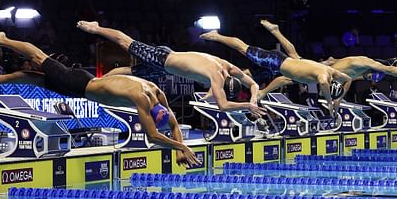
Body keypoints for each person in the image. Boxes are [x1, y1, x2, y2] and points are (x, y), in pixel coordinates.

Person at [0, 32, 200, 166]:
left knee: (38, 80)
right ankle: (3, 40)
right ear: (151, 112)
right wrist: (180, 146)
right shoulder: (141, 98)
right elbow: (153, 135)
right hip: (80, 85)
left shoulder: (156, 92)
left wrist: (180, 147)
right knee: (38, 57)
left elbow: (173, 125)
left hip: (85, 82)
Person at [76, 21, 265, 117]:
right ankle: (96, 28)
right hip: (163, 58)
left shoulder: (229, 68)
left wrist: (254, 97)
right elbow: (223, 106)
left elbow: (253, 84)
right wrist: (248, 105)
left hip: (166, 68)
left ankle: (99, 82)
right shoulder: (216, 76)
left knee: (131, 73)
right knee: (126, 42)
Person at [200, 20, 352, 116]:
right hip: (275, 61)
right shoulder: (324, 78)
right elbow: (324, 84)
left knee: (250, 74)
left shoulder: (333, 72)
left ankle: (275, 31)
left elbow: (349, 79)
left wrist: (339, 98)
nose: (321, 89)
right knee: (243, 48)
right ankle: (216, 36)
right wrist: (330, 102)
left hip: (280, 67)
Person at [322, 55, 397, 94]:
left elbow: (390, 71)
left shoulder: (360, 70)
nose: (370, 78)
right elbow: (390, 70)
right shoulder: (361, 63)